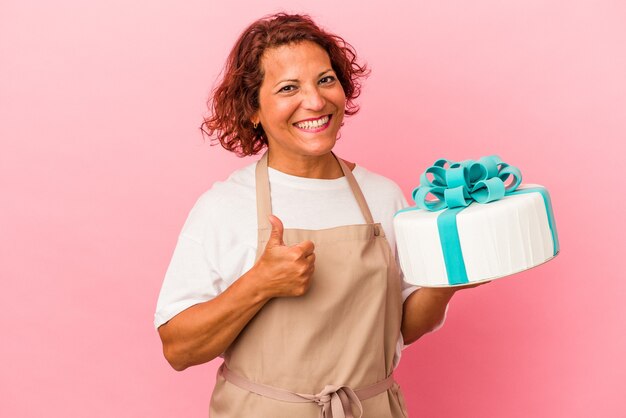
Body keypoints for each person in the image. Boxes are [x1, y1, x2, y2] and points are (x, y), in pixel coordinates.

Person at [155, 12, 480, 418]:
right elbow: (178, 349)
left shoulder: (383, 196)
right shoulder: (224, 208)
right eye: (289, 87)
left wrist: (452, 277)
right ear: (253, 109)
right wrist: (259, 284)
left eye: (325, 80)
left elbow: (401, 327)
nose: (315, 101)